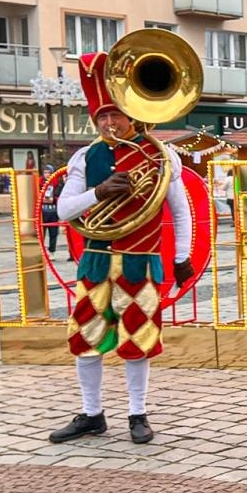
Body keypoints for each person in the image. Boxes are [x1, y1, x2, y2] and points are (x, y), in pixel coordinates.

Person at [48, 52, 194, 446]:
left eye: (116, 116)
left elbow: (181, 212)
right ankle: (92, 413)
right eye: (102, 118)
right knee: (85, 339)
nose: (110, 124)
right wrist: (100, 191)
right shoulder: (85, 155)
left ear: (133, 115)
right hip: (96, 260)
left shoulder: (163, 156)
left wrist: (182, 257)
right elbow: (63, 209)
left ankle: (137, 413)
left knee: (138, 341)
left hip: (140, 261)